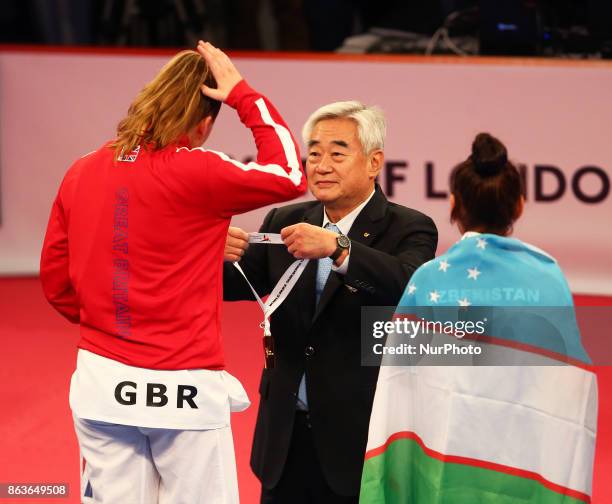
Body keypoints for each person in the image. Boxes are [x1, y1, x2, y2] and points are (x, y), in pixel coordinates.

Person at [40, 41, 306, 504]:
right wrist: (243, 95)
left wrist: (113, 332)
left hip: (101, 383)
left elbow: (56, 283)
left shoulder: (81, 170)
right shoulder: (197, 170)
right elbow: (287, 172)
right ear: (203, 124)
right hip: (184, 392)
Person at [361, 133, 597, 502]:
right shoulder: (548, 279)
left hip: (446, 466)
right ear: (519, 205)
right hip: (521, 464)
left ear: (454, 204)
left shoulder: (428, 279)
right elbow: (567, 387)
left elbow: (400, 385)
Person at [223, 101, 438, 502]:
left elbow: (408, 286)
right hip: (283, 440)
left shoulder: (410, 227)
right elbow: (229, 285)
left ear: (374, 163)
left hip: (359, 441)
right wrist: (207, 249)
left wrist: (339, 248)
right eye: (314, 153)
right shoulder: (283, 220)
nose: (321, 165)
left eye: (337, 154)